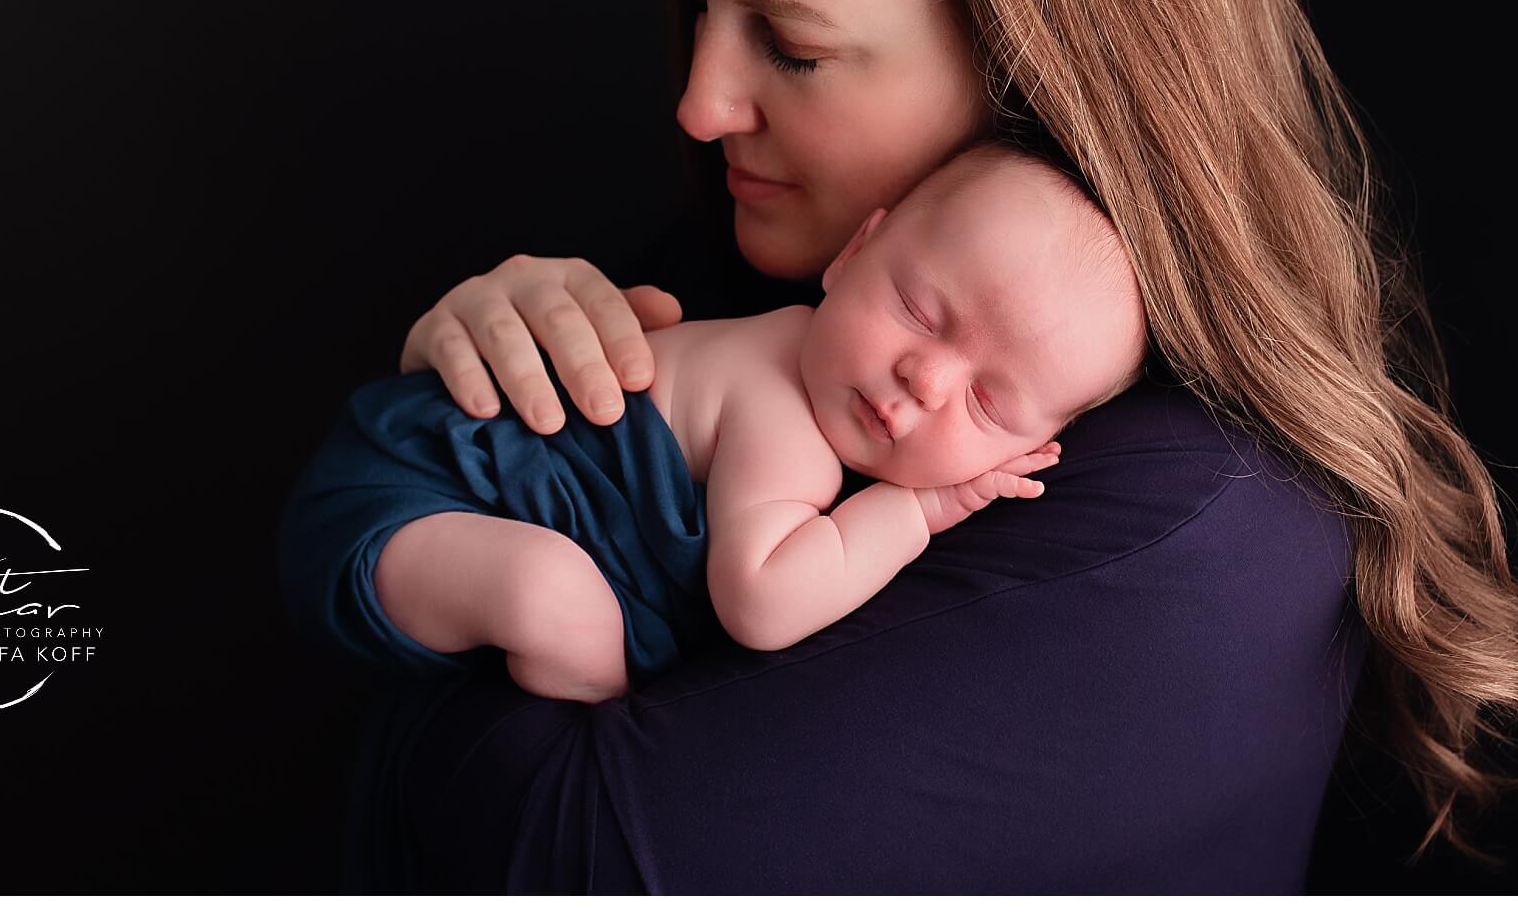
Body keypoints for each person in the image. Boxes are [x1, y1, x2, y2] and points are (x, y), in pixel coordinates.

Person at [280, 0, 1518, 892]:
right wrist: (485, 398)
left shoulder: (1192, 530)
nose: (700, 103)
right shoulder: (773, 261)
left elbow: (551, 843)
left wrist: (449, 570)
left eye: (792, 41)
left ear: (1031, 56)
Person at [282, 145, 1145, 703]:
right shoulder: (785, 415)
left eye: (989, 402)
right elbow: (762, 603)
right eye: (918, 309)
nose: (924, 377)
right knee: (556, 599)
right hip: (406, 491)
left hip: (422, 491)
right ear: (852, 255)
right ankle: (599, 744)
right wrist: (917, 512)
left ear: (1034, 447)